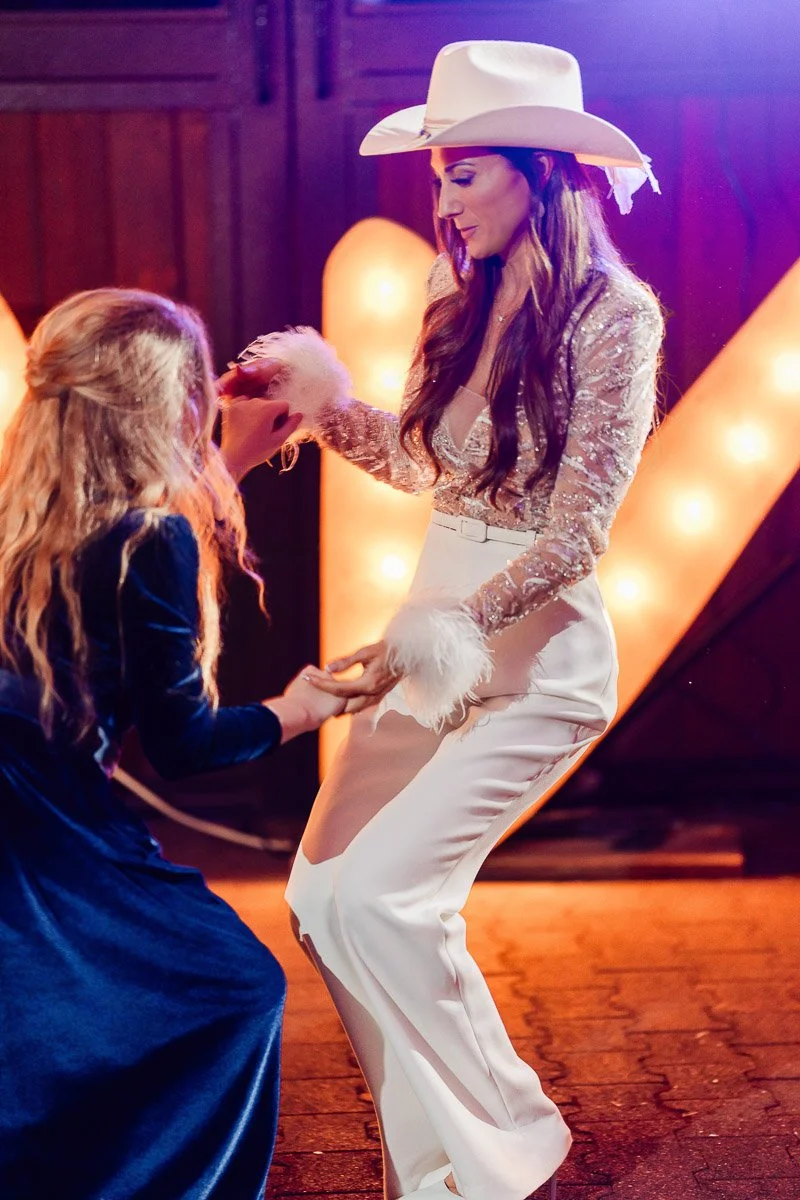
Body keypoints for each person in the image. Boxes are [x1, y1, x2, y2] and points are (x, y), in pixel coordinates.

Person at [240, 40, 663, 1200]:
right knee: (323, 900)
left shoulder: (615, 315)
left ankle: (516, 1151)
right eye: (438, 176)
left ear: (540, 172)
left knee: (387, 898)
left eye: (466, 173)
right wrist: (324, 405)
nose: (443, 201)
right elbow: (435, 473)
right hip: (437, 641)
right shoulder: (452, 295)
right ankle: (431, 1170)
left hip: (536, 662)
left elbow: (575, 534)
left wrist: (442, 633)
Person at [0, 288, 342, 1200]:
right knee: (229, 989)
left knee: (37, 1028)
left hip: (26, 804)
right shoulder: (150, 540)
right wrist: (299, 708)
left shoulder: (20, 510)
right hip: (45, 824)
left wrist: (234, 451)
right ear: (163, 403)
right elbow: (183, 743)